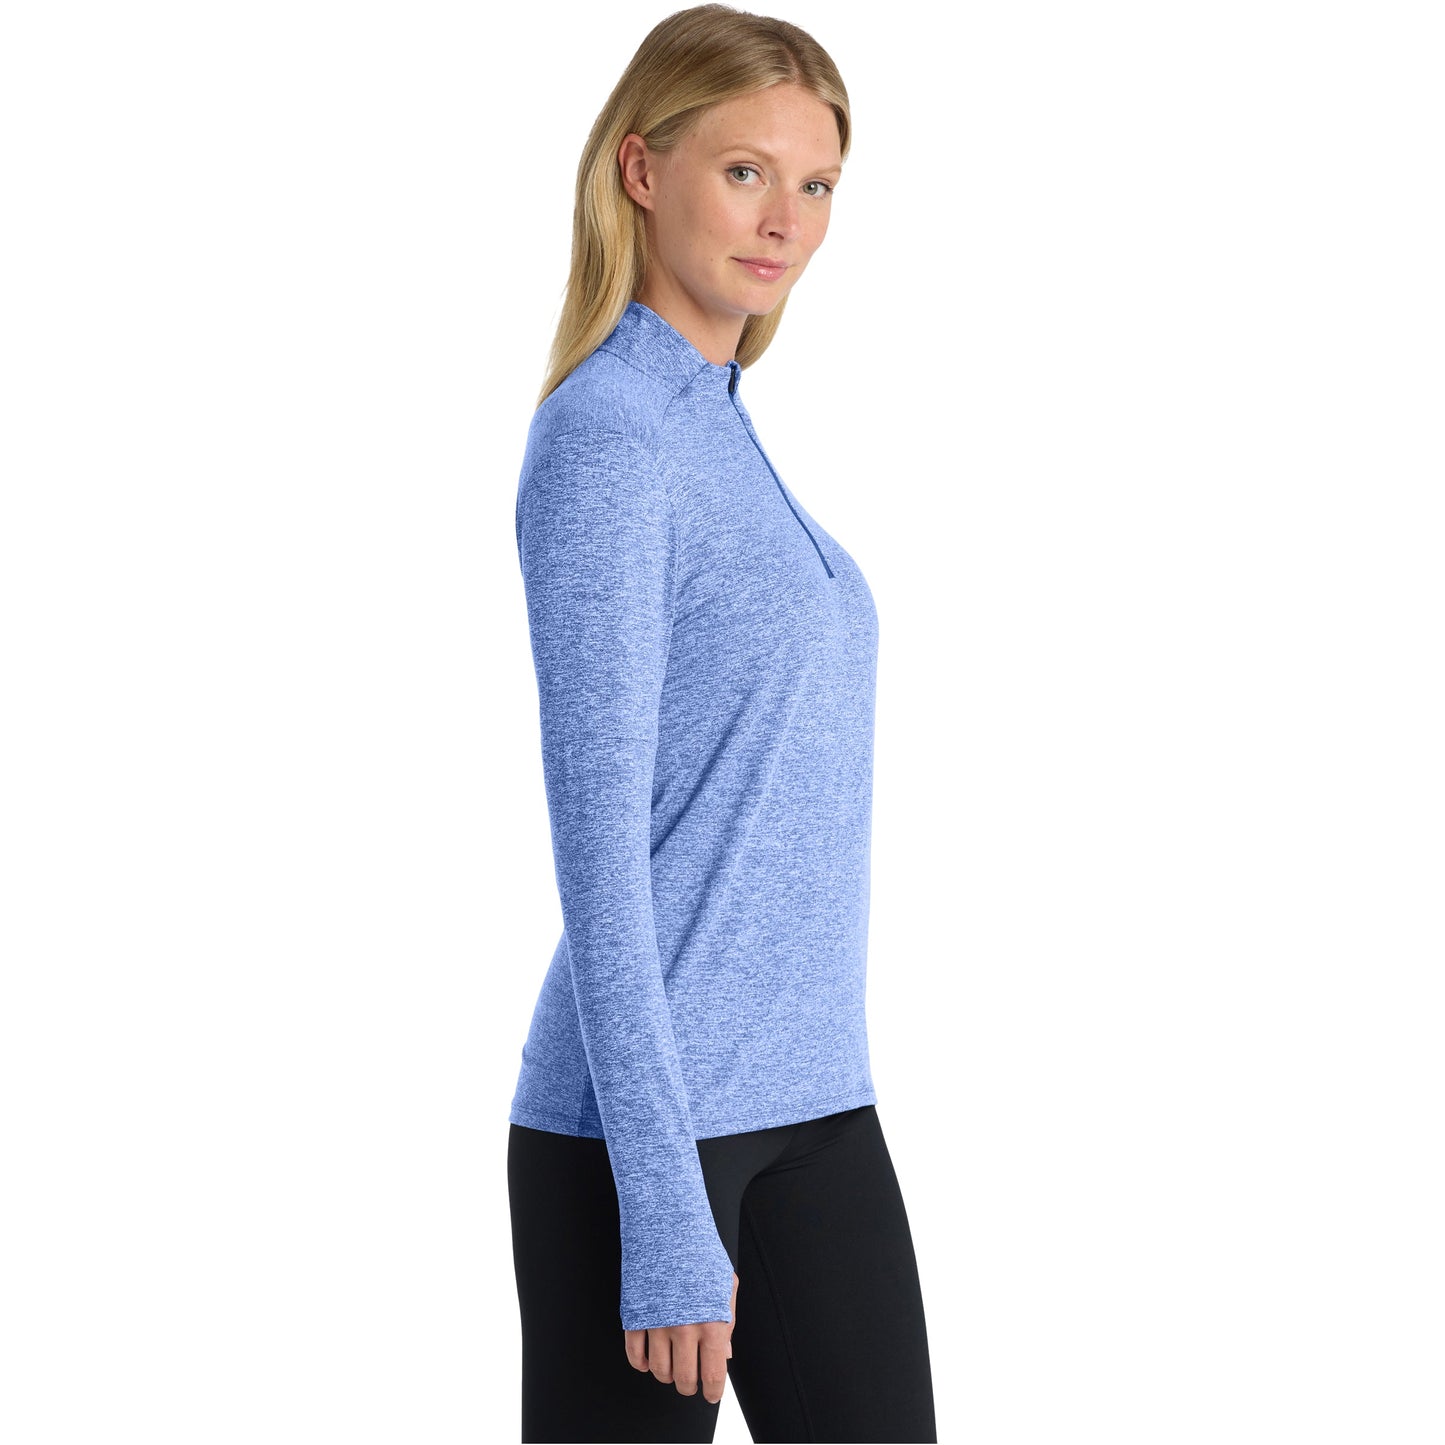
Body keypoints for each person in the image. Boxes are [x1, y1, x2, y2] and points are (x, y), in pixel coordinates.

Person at [505, 6, 938, 1441]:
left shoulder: (717, 420)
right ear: (641, 169)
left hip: (816, 1099)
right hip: (647, 1131)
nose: (785, 221)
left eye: (816, 184)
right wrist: (661, 1203)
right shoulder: (609, 438)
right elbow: (598, 856)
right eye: (745, 172)